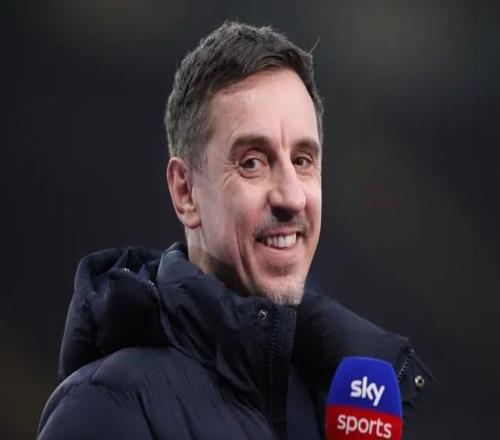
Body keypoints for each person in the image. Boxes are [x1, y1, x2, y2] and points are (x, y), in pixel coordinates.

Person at [37, 22, 434, 439]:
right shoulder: (103, 411)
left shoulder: (343, 402)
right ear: (185, 191)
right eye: (252, 163)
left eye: (302, 160)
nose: (291, 197)